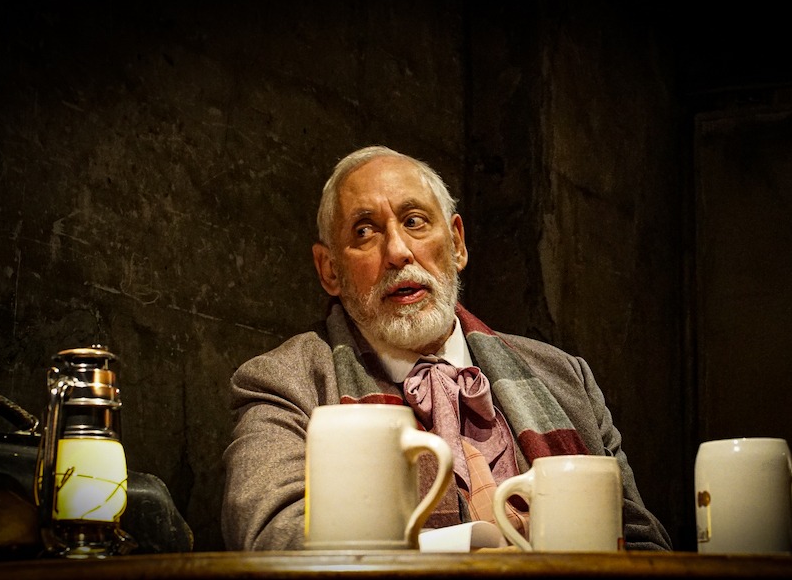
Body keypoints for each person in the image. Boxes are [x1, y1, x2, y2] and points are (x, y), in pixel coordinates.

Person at [221, 145, 672, 552]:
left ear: (456, 243)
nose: (398, 252)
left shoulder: (565, 376)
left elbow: (643, 544)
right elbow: (272, 536)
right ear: (330, 270)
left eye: (414, 221)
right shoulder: (284, 383)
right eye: (365, 231)